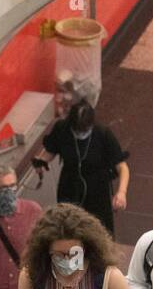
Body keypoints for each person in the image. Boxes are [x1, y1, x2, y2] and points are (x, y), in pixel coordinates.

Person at [37, 101, 130, 236]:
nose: (80, 134)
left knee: (100, 229)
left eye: (84, 130)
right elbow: (51, 149)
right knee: (67, 226)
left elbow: (122, 167)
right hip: (69, 184)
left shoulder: (103, 134)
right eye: (77, 130)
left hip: (97, 187)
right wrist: (41, 162)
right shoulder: (62, 129)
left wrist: (121, 192)